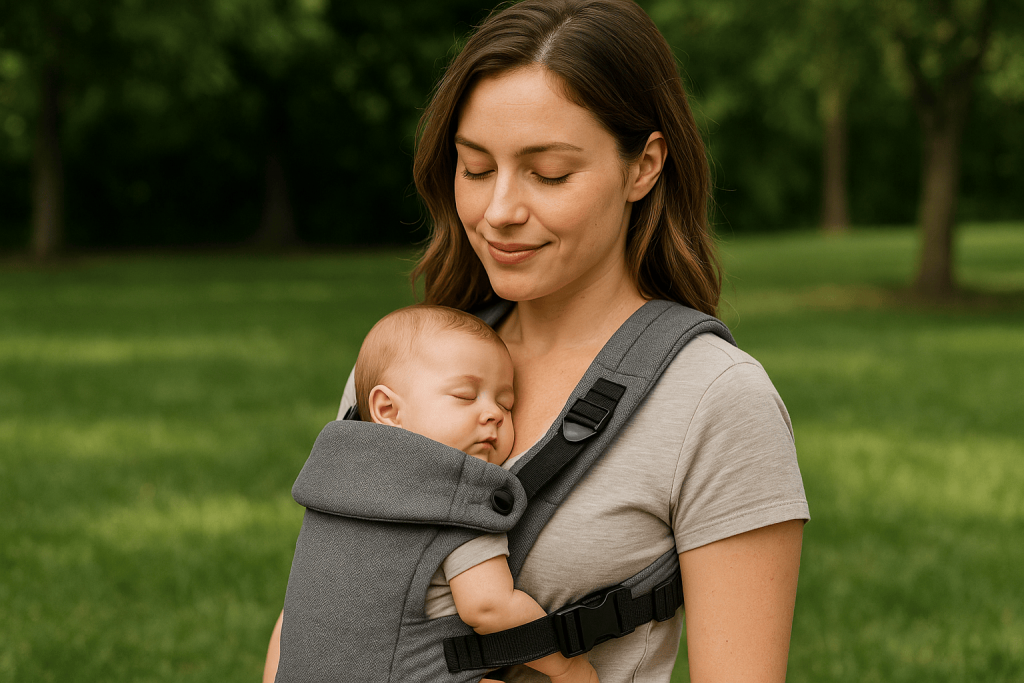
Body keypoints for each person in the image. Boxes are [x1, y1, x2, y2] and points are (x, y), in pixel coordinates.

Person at [265, 0, 809, 681]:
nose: (499, 212)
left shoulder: (715, 400)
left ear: (643, 166)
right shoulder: (413, 366)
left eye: (548, 173)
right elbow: (311, 613)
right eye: (474, 168)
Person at [350, 304, 599, 683]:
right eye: (466, 396)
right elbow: (488, 606)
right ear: (388, 409)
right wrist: (565, 666)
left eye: (506, 403)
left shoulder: (346, 485)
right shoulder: (458, 500)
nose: (494, 414)